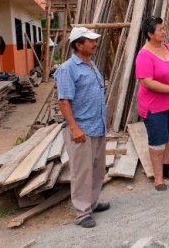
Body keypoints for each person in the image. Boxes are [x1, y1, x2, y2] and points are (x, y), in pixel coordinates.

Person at [54, 27, 110, 229]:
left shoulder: (91, 65)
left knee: (97, 169)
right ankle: (82, 212)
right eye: (90, 41)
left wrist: (105, 120)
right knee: (82, 172)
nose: (94, 44)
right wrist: (74, 128)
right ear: (78, 45)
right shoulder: (68, 69)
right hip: (82, 129)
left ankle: (92, 203)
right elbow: (64, 102)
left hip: (97, 126)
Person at [135, 16, 169, 191]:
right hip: (154, 104)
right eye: (160, 29)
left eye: (163, 28)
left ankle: (166, 167)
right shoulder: (144, 55)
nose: (163, 32)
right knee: (157, 140)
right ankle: (158, 177)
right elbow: (147, 82)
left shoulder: (168, 48)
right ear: (150, 34)